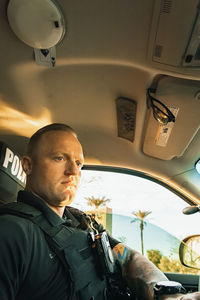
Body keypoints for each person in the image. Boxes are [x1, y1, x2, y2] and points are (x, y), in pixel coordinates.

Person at [0, 123, 199, 300]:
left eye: (79, 163)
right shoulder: (12, 233)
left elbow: (127, 258)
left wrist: (166, 294)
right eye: (59, 158)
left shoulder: (80, 222)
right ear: (28, 165)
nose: (73, 172)